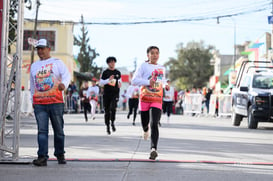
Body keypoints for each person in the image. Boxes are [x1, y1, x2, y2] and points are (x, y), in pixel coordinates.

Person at [30, 39, 71, 166]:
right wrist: (33, 100)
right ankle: (42, 157)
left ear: (49, 49)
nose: (40, 51)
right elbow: (32, 84)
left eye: (42, 48)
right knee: (42, 131)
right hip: (40, 104)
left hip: (56, 102)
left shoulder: (57, 63)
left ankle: (60, 154)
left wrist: (64, 84)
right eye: (38, 49)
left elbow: (66, 75)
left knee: (58, 130)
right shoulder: (34, 66)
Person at [131, 46, 166, 160]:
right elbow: (134, 81)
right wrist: (147, 82)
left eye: (157, 53)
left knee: (154, 123)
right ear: (148, 55)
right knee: (145, 123)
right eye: (152, 53)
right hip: (145, 98)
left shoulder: (162, 68)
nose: (155, 55)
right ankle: (145, 130)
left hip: (157, 98)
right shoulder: (143, 66)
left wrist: (166, 85)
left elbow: (162, 81)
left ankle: (153, 149)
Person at [99, 56, 122, 135]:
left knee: (113, 108)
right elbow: (101, 82)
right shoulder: (105, 72)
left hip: (115, 93)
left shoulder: (118, 72)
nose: (112, 63)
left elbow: (119, 81)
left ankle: (112, 122)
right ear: (108, 63)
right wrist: (108, 80)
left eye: (113, 62)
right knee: (107, 111)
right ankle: (107, 126)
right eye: (111, 62)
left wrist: (119, 83)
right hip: (107, 94)